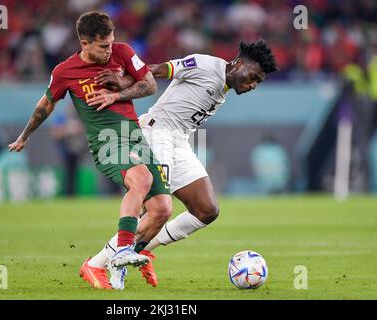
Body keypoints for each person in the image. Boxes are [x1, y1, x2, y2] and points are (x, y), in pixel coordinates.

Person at [88, 39, 278, 287]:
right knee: (156, 211)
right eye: (253, 76)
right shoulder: (205, 65)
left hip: (179, 141)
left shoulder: (224, 87)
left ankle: (142, 250)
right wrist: (122, 81)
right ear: (239, 64)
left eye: (258, 82)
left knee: (206, 210)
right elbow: (156, 69)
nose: (253, 84)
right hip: (157, 135)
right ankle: (97, 264)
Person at [8, 12, 172, 290]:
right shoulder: (65, 71)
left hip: (135, 138)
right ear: (84, 43)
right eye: (102, 46)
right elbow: (45, 105)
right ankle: (121, 253)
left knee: (161, 210)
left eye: (111, 43)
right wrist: (25, 136)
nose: (109, 50)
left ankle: (105, 264)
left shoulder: (123, 53)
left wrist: (117, 93)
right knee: (141, 181)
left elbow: (150, 85)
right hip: (107, 141)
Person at [50, 103, 86, 197]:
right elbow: (55, 133)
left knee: (73, 174)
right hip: (65, 151)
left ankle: (71, 194)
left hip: (77, 150)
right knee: (67, 174)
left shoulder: (81, 117)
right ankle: (67, 194)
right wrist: (68, 130)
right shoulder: (62, 116)